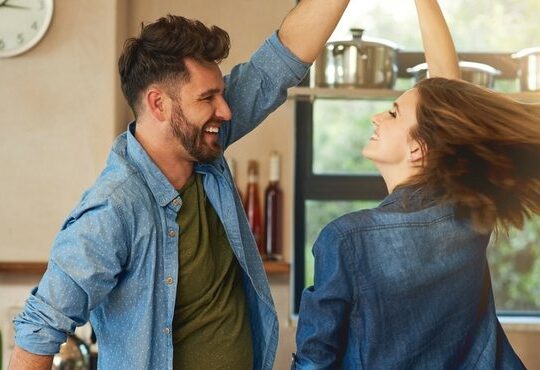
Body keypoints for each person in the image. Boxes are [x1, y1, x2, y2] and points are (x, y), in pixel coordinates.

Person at [8, 2, 350, 370]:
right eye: (207, 98)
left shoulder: (203, 149)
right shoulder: (113, 209)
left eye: (220, 93)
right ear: (159, 104)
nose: (227, 110)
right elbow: (37, 332)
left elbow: (279, 63)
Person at [293, 0, 540, 369]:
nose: (377, 117)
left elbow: (315, 361)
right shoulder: (469, 211)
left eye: (392, 112)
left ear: (419, 149)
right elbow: (447, 89)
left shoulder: (345, 238)